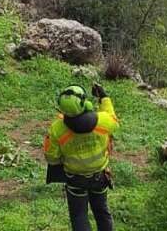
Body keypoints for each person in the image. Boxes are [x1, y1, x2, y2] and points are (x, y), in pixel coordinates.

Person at [44, 83, 119, 231]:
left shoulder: (57, 129)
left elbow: (51, 158)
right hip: (99, 176)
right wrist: (104, 97)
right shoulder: (102, 121)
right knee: (102, 213)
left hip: (75, 180)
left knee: (79, 216)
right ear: (85, 103)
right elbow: (114, 121)